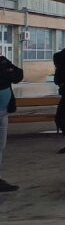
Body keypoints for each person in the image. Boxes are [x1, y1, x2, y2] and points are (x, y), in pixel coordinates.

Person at [0, 56, 23, 192]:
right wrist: (5, 73)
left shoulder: (3, 61)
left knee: (1, 146)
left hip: (3, 112)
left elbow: (18, 75)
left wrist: (8, 70)